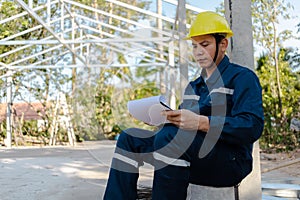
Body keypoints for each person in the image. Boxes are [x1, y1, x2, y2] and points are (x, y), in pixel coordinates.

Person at [103, 11, 264, 200]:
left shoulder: (242, 78)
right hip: (193, 156)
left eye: (204, 45)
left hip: (230, 161)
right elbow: (182, 129)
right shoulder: (194, 87)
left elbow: (252, 126)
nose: (198, 52)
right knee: (129, 138)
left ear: (223, 44)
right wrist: (162, 118)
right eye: (194, 46)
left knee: (171, 138)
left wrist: (201, 122)